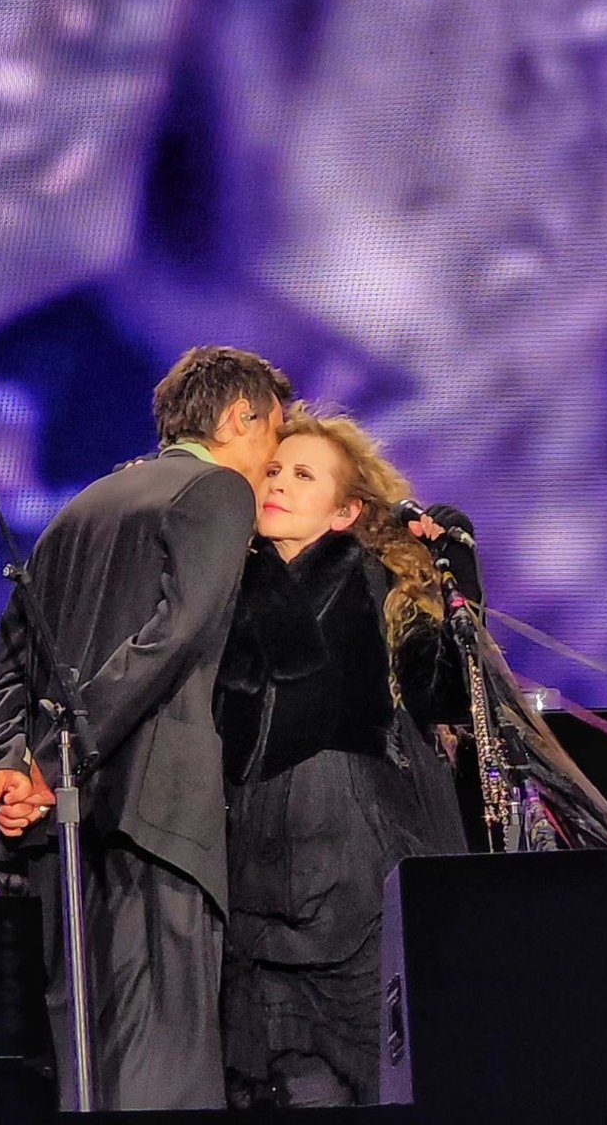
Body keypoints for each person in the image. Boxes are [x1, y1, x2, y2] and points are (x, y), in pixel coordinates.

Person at [0, 345, 290, 1112]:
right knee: (163, 1071)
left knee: (89, 1072)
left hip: (61, 836)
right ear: (238, 418)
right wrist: (53, 762)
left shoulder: (83, 505)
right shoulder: (216, 490)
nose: (273, 464)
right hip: (154, 822)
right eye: (273, 437)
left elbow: (13, 656)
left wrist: (7, 767)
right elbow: (172, 637)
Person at [213, 405, 476, 1109]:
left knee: (382, 1081)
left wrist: (459, 578)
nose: (278, 483)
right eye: (273, 469)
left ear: (344, 511)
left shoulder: (371, 586)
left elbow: (442, 693)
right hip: (255, 891)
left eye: (304, 475)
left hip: (355, 887)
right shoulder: (225, 590)